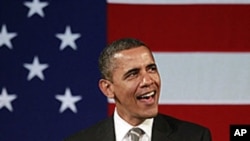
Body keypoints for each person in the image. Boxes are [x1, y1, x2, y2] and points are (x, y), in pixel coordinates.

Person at [65, 38, 212, 141]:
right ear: (108, 88)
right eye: (133, 74)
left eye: (151, 69)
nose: (148, 80)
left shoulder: (194, 137)